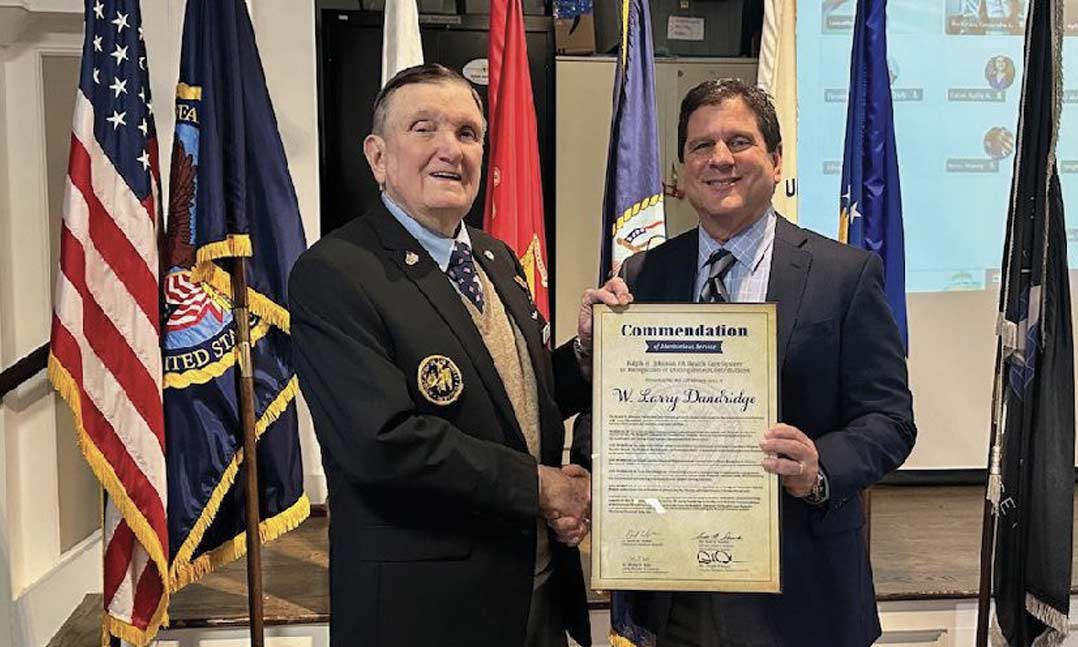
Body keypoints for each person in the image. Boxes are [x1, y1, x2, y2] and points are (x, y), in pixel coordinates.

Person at [578, 78, 916, 647]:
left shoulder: (844, 276)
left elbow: (891, 421)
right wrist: (596, 357)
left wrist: (817, 468)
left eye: (739, 141)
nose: (720, 159)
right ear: (683, 170)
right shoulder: (643, 277)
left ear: (777, 160)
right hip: (675, 592)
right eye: (701, 146)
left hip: (803, 596)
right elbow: (609, 418)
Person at [290, 63, 616, 647]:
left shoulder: (497, 259)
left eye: (468, 133)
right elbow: (384, 444)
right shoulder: (335, 273)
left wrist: (588, 354)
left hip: (536, 594)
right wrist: (543, 487)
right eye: (424, 128)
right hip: (426, 614)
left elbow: (520, 399)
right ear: (377, 157)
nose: (450, 149)